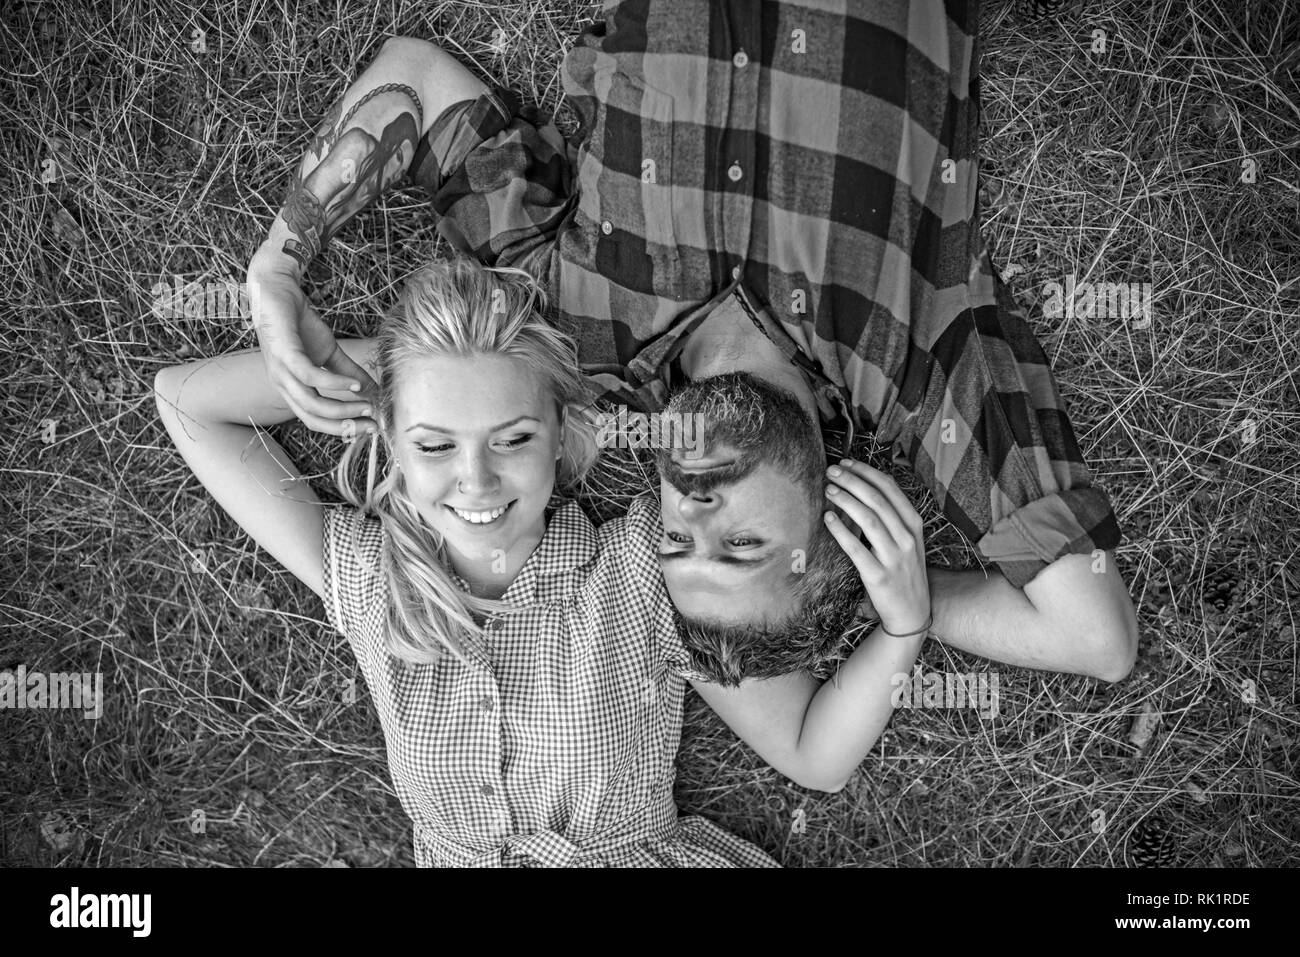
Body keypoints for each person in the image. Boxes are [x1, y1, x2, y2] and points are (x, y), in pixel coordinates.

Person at [247, 0, 1137, 687]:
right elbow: (1095, 636)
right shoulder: (915, 363)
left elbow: (419, 82)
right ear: (833, 525)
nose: (697, 511)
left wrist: (279, 264)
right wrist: (900, 596)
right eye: (743, 546)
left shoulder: (572, 322)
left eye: (676, 542)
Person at [154, 256, 930, 867]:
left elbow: (812, 751)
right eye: (434, 444)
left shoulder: (639, 577)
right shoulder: (372, 582)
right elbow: (187, 402)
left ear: (562, 437)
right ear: (389, 439)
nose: (478, 480)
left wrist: (903, 630)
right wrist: (405, 378)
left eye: (513, 436)